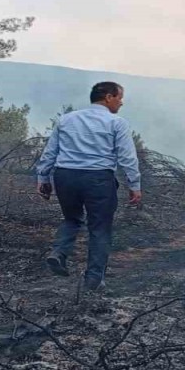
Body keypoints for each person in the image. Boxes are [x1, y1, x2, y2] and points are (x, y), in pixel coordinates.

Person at [36, 82, 142, 292]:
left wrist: (43, 178)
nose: (122, 102)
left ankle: (58, 253)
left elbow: (50, 152)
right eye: (120, 97)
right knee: (100, 229)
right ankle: (94, 280)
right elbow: (127, 157)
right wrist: (134, 184)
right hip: (98, 179)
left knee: (72, 219)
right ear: (109, 97)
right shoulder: (116, 123)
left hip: (65, 176)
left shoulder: (66, 119)